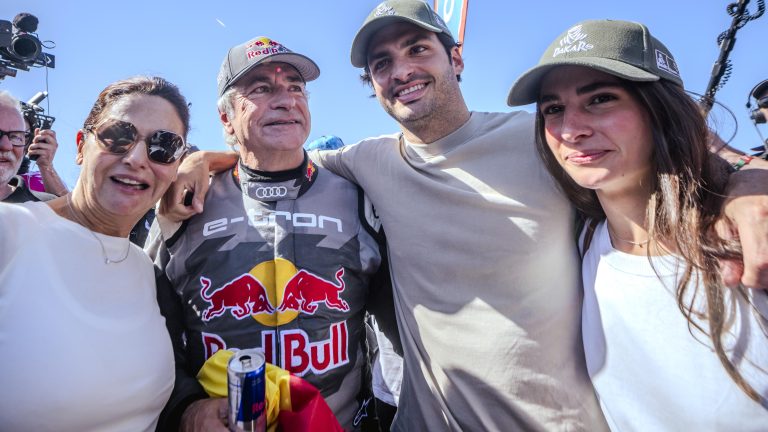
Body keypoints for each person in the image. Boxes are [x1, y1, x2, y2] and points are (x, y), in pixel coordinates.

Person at [163, 1, 768, 430]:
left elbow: (678, 144)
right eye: (382, 63)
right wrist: (198, 160)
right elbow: (275, 157)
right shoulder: (367, 161)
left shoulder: (546, 137)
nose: (401, 70)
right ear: (372, 83)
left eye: (417, 49)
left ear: (456, 58)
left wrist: (749, 183)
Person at [506, 18, 768, 429]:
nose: (571, 130)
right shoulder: (580, 240)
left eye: (601, 99)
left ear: (660, 110)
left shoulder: (747, 242)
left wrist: (750, 179)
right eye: (553, 109)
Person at [147, 36, 385, 431]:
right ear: (226, 119)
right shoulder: (185, 202)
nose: (286, 100)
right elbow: (147, 334)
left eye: (296, 88)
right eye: (261, 89)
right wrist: (185, 407)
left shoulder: (358, 192)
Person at [0, 76, 191, 431]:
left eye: (163, 146)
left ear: (176, 167)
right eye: (118, 136)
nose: (136, 158)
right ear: (80, 146)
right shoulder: (9, 231)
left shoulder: (147, 272)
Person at [0, 91, 55, 202]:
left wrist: (46, 166)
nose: (7, 146)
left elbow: (69, 208)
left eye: (16, 137)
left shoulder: (39, 181)